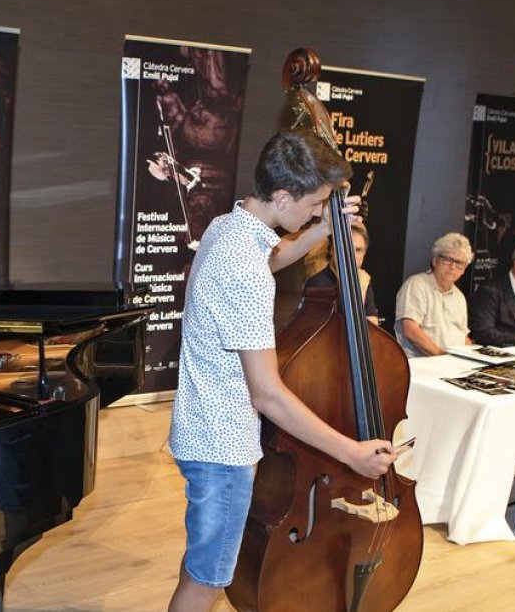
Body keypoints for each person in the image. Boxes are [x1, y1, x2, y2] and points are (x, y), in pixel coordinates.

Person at [167, 130, 396, 612]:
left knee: (204, 567)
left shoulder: (227, 228)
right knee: (208, 581)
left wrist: (319, 233)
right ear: (282, 195)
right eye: (315, 203)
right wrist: (351, 452)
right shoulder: (243, 268)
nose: (319, 211)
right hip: (222, 447)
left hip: (200, 429)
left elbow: (272, 258)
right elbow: (268, 394)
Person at [394, 233, 474, 357]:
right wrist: (441, 355)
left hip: (452, 365)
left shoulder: (459, 297)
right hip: (421, 364)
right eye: (448, 259)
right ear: (435, 261)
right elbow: (410, 330)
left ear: (464, 269)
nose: (453, 267)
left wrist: (475, 355)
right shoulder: (417, 284)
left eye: (459, 263)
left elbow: (463, 337)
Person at [295, 221, 379, 325]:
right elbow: (335, 331)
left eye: (358, 250)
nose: (352, 256)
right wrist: (359, 295)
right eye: (346, 248)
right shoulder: (317, 285)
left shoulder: (362, 280)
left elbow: (373, 327)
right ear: (331, 249)